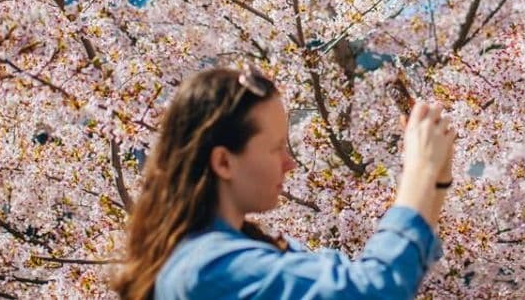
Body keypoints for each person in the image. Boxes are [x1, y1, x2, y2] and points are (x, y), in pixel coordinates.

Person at [112, 66, 456, 300]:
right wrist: (419, 171)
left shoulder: (241, 253)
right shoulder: (208, 269)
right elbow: (373, 290)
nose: (290, 163)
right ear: (223, 161)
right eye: (276, 148)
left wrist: (435, 182)